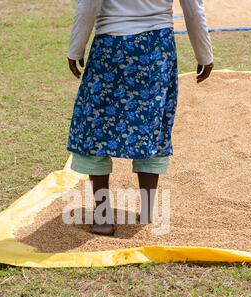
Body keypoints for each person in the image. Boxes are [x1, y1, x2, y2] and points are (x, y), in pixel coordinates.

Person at [67, 0, 214, 235]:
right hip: (156, 50)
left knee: (96, 128)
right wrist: (204, 54)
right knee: (152, 126)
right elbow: (193, 9)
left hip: (111, 49)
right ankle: (146, 211)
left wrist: (76, 48)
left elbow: (88, 5)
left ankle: (102, 215)